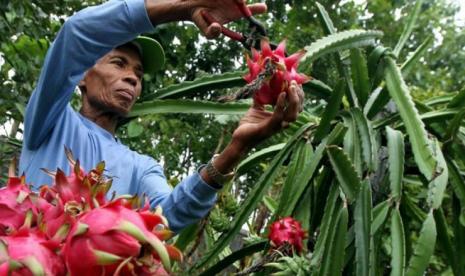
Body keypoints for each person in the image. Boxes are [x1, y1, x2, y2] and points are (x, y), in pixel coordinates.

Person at [19, 0, 305, 233]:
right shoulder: (51, 120)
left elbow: (167, 216)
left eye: (138, 74)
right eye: (119, 64)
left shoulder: (141, 167)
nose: (131, 78)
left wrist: (236, 148)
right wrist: (185, 7)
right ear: (82, 75)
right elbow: (76, 34)